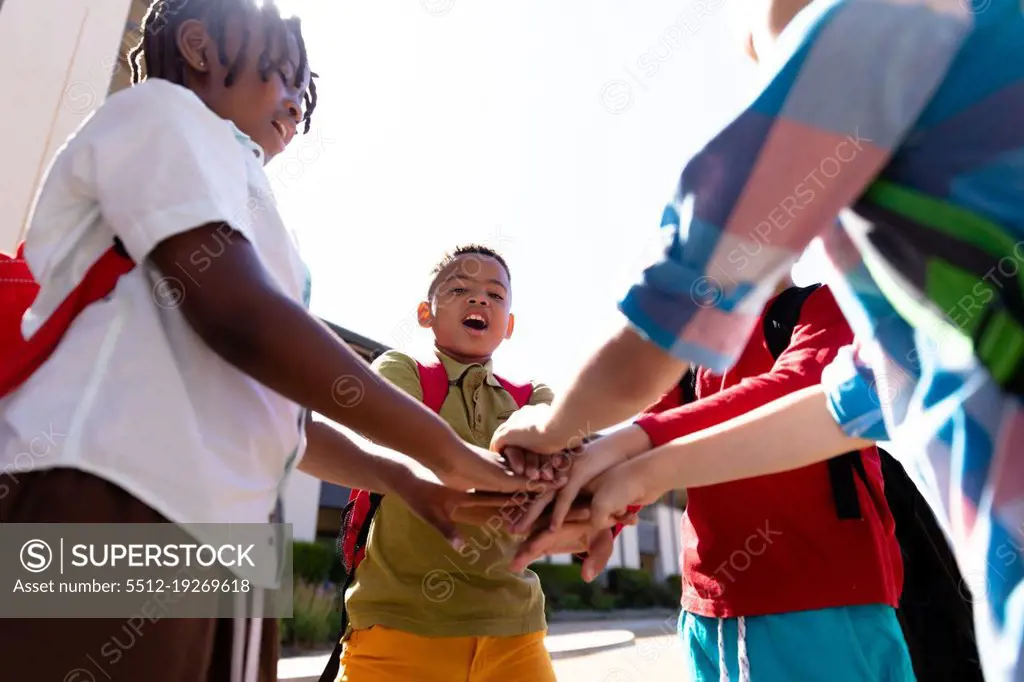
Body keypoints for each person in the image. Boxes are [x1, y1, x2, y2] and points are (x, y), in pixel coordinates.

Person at [490, 0, 1024, 679]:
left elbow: (665, 326)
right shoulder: (927, 290)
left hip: (819, 599)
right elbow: (848, 403)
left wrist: (555, 421)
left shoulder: (878, 23)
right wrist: (627, 465)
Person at [0, 2, 526, 681]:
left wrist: (398, 477)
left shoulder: (244, 195)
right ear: (197, 45)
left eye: (306, 96)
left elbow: (280, 413)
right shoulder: (161, 115)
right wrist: (441, 448)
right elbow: (238, 315)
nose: (298, 104)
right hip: (113, 499)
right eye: (284, 75)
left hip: (230, 536)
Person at [514, 283, 912, 681]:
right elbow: (646, 437)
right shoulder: (690, 357)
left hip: (818, 595)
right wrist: (597, 518)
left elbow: (797, 389)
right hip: (717, 607)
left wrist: (631, 452)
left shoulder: (823, 304)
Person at [334, 245, 601, 682]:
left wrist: (547, 440)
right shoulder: (401, 370)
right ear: (426, 313)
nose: (479, 300)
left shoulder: (532, 395)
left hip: (514, 633)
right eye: (460, 289)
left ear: (509, 325)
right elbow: (402, 438)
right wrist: (514, 465)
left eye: (496, 295)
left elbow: (564, 439)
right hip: (397, 628)